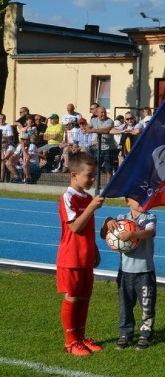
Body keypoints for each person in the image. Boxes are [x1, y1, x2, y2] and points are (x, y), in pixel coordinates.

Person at [56, 151, 106, 356]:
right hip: (71, 258)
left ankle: (81, 338)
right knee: (73, 297)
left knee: (85, 297)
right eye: (89, 175)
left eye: (95, 175)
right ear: (74, 175)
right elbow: (75, 227)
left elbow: (87, 230)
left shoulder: (87, 197)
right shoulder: (68, 197)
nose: (93, 179)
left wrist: (93, 248)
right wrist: (91, 208)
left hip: (85, 256)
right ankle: (70, 341)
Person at [99, 197, 157, 350]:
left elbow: (149, 233)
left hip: (145, 271)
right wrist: (108, 221)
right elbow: (103, 234)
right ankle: (126, 334)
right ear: (127, 202)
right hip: (125, 272)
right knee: (125, 305)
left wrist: (132, 235)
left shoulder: (149, 217)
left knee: (147, 305)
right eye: (138, 200)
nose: (143, 202)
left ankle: (146, 334)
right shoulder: (121, 219)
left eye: (145, 199)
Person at [83, 105, 117, 178]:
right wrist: (86, 129)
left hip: (109, 148)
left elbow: (106, 130)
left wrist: (93, 130)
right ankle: (96, 185)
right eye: (101, 112)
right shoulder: (93, 120)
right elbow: (87, 128)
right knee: (95, 167)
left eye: (105, 112)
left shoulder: (110, 121)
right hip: (98, 148)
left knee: (108, 169)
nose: (103, 114)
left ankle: (108, 187)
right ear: (96, 113)